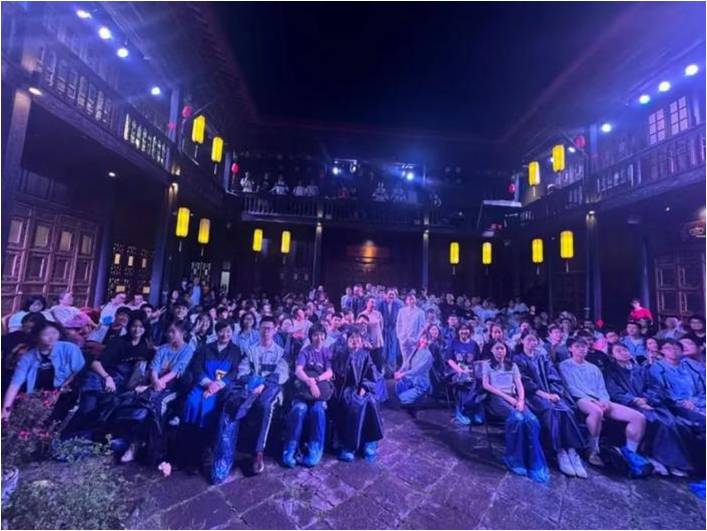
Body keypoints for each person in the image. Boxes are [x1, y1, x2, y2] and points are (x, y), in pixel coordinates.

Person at [211, 316, 288, 483]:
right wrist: (253, 383)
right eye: (263, 328)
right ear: (259, 329)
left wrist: (264, 384)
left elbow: (282, 375)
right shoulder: (251, 350)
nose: (266, 332)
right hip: (251, 387)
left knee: (265, 406)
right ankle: (226, 452)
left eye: (269, 328)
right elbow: (242, 372)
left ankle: (259, 452)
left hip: (271, 390)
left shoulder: (280, 352)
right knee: (233, 403)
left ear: (275, 330)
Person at [559, 338, 651, 477]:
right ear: (570, 349)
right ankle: (592, 449)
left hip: (599, 399)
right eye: (577, 346)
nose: (581, 349)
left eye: (584, 346)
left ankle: (631, 454)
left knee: (638, 418)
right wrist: (593, 400)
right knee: (596, 412)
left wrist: (604, 400)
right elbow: (570, 387)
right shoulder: (564, 365)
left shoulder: (593, 368)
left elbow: (601, 388)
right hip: (580, 399)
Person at [108, 321, 195, 466]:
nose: (169, 334)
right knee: (137, 401)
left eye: (173, 332)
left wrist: (159, 383)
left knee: (157, 405)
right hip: (154, 384)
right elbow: (154, 367)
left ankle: (154, 447)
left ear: (183, 334)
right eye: (168, 331)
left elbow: (176, 371)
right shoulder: (163, 348)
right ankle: (133, 442)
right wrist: (155, 382)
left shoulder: (187, 350)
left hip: (173, 388)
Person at [604, 342, 694, 477]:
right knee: (659, 423)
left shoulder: (641, 370)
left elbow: (656, 387)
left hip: (651, 404)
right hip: (629, 405)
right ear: (612, 355)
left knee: (674, 423)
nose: (623, 353)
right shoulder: (610, 372)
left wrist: (647, 399)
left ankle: (673, 461)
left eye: (625, 350)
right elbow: (615, 392)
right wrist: (635, 400)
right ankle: (668, 462)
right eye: (619, 351)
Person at [65, 313, 154, 438]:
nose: (137, 330)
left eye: (141, 327)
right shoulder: (118, 342)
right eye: (134, 326)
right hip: (101, 378)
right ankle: (65, 438)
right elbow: (95, 363)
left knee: (106, 415)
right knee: (87, 410)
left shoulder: (145, 348)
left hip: (122, 385)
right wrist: (107, 378)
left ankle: (84, 441)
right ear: (129, 327)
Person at [513, 332, 586, 478]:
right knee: (550, 411)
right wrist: (544, 395)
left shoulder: (542, 357)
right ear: (522, 341)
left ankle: (571, 450)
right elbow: (525, 382)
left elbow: (553, 376)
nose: (532, 343)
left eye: (535, 340)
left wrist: (554, 392)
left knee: (566, 410)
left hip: (550, 393)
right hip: (533, 395)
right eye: (529, 340)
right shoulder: (518, 359)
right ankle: (559, 451)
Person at [482, 341, 551, 482]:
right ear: (492, 350)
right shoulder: (487, 365)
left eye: (502, 348)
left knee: (532, 420)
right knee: (517, 419)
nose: (500, 351)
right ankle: (515, 459)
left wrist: (520, 400)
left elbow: (519, 385)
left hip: (514, 397)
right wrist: (507, 398)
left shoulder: (512, 365)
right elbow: (486, 385)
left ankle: (532, 460)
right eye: (497, 348)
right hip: (496, 398)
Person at [181, 321, 241, 473]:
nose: (225, 334)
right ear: (216, 332)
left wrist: (217, 385)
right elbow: (197, 368)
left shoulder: (235, 351)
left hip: (221, 390)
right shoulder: (205, 348)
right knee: (191, 403)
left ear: (232, 333)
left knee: (207, 409)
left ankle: (202, 452)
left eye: (228, 331)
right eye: (221, 331)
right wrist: (208, 384)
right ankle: (185, 450)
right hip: (203, 385)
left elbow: (234, 372)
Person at [2, 321, 85, 423]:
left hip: (66, 393)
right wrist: (6, 409)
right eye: (46, 334)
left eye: (54, 333)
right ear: (36, 337)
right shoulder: (28, 357)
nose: (52, 337)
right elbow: (15, 383)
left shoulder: (70, 348)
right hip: (39, 395)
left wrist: (59, 391)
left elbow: (77, 371)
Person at [282, 324, 333, 468]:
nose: (319, 338)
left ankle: (315, 449)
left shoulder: (326, 352)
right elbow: (299, 370)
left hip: (320, 391)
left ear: (325, 336)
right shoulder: (305, 352)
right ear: (310, 337)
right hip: (304, 390)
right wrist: (310, 382)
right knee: (299, 409)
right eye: (315, 335)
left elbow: (330, 372)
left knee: (318, 411)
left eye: (321, 335)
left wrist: (316, 380)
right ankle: (290, 448)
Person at [332, 330, 384, 462]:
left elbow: (371, 373)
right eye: (352, 338)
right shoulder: (341, 354)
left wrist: (364, 387)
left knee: (371, 401)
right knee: (355, 403)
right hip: (346, 390)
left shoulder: (365, 355)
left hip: (363, 388)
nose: (355, 341)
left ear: (361, 341)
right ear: (347, 340)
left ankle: (369, 441)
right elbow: (338, 374)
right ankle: (349, 445)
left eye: (358, 338)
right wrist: (348, 353)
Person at [649, 339, 705, 430]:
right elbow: (662, 392)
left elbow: (702, 384)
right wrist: (682, 402)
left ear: (681, 351)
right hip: (677, 405)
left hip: (699, 400)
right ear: (662, 351)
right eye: (668, 348)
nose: (673, 351)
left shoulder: (690, 364)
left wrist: (696, 401)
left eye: (676, 348)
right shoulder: (657, 368)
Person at [445, 323, 483, 425]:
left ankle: (474, 411)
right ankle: (461, 411)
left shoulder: (474, 344)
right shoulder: (453, 343)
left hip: (471, 371)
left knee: (478, 382)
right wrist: (459, 370)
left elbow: (477, 361)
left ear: (470, 331)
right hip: (455, 371)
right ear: (458, 331)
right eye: (461, 329)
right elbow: (449, 359)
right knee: (464, 381)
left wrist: (472, 371)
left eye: (466, 329)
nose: (464, 331)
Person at [394, 333, 434, 417]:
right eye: (423, 338)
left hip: (420, 384)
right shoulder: (415, 350)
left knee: (403, 398)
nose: (424, 341)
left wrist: (403, 374)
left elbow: (417, 370)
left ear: (430, 342)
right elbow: (406, 363)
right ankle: (411, 405)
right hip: (411, 380)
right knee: (398, 384)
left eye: (427, 339)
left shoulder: (428, 355)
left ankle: (415, 403)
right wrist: (399, 371)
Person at [395, 293, 426, 366]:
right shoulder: (401, 311)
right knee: (405, 359)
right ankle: (405, 371)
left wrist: (417, 339)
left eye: (413, 299)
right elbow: (398, 324)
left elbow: (422, 327)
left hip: (414, 340)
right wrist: (399, 336)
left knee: (412, 360)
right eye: (410, 299)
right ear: (406, 301)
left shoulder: (420, 312)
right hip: (403, 339)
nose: (412, 301)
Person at [378, 289, 402, 377]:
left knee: (392, 352)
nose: (391, 296)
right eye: (389, 294)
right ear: (385, 295)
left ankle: (391, 371)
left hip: (393, 331)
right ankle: (382, 371)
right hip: (383, 331)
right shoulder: (380, 304)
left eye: (393, 294)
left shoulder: (398, 305)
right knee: (383, 351)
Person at [359, 296, 384, 371]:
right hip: (368, 344)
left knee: (379, 363)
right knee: (370, 364)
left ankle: (379, 377)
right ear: (367, 303)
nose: (374, 304)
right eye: (372, 302)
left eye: (375, 303)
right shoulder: (362, 315)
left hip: (378, 341)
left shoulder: (378, 314)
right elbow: (361, 331)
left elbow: (381, 326)